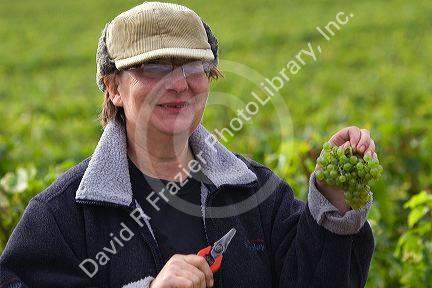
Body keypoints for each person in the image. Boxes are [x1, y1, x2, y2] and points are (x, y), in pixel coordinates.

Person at [0, 2, 376, 287]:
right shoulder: (61, 216)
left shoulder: (260, 194)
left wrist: (332, 201)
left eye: (192, 67)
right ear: (113, 87)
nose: (178, 84)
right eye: (154, 67)